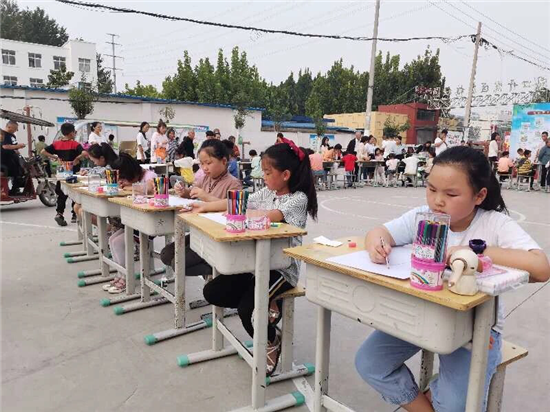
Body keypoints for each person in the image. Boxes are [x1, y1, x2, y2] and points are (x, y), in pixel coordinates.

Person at [357, 146, 549, 412]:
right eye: (431, 189)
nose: (437, 201)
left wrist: (473, 251)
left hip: (475, 328)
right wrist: (377, 245)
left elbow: (541, 267)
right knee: (370, 363)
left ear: (479, 195)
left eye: (451, 194)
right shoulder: (422, 217)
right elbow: (380, 232)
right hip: (423, 312)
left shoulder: (494, 224)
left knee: (457, 405)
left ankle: (444, 392)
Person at [198, 139, 318, 376]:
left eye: (267, 172)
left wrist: (241, 211)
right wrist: (203, 207)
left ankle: (271, 340)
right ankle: (266, 306)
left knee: (249, 310)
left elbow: (269, 216)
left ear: (285, 174)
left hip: (282, 269)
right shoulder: (267, 192)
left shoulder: (298, 199)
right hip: (255, 263)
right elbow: (238, 202)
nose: (263, 177)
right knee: (213, 292)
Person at [160, 139, 243, 269]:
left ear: (224, 161)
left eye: (208, 163)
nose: (204, 168)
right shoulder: (204, 179)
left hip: (218, 235)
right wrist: (183, 191)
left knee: (179, 262)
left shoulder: (233, 183)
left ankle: (216, 268)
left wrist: (205, 196)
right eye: (202, 163)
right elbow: (192, 192)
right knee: (166, 254)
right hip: (200, 230)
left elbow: (234, 205)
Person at [104, 153, 157, 294]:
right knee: (112, 239)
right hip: (135, 221)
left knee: (118, 242)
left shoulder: (149, 175)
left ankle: (126, 277)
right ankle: (121, 274)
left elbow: (149, 188)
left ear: (132, 172)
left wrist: (128, 187)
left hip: (149, 223)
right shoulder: (135, 179)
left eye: (124, 178)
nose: (123, 181)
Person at [41, 123, 86, 226]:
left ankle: (59, 213)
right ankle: (75, 214)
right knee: (75, 193)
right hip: (74, 172)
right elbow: (84, 153)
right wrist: (77, 158)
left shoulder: (56, 144)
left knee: (61, 193)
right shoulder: (74, 144)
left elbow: (43, 151)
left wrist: (55, 157)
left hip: (62, 172)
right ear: (71, 133)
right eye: (74, 132)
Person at [0, 120, 26, 195]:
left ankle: (14, 190)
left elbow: (14, 147)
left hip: (12, 159)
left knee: (18, 173)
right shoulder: (2, 134)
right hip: (3, 159)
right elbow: (5, 146)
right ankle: (5, 190)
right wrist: (18, 146)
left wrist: (17, 150)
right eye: (15, 129)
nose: (16, 130)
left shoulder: (12, 136)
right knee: (6, 173)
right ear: (9, 127)